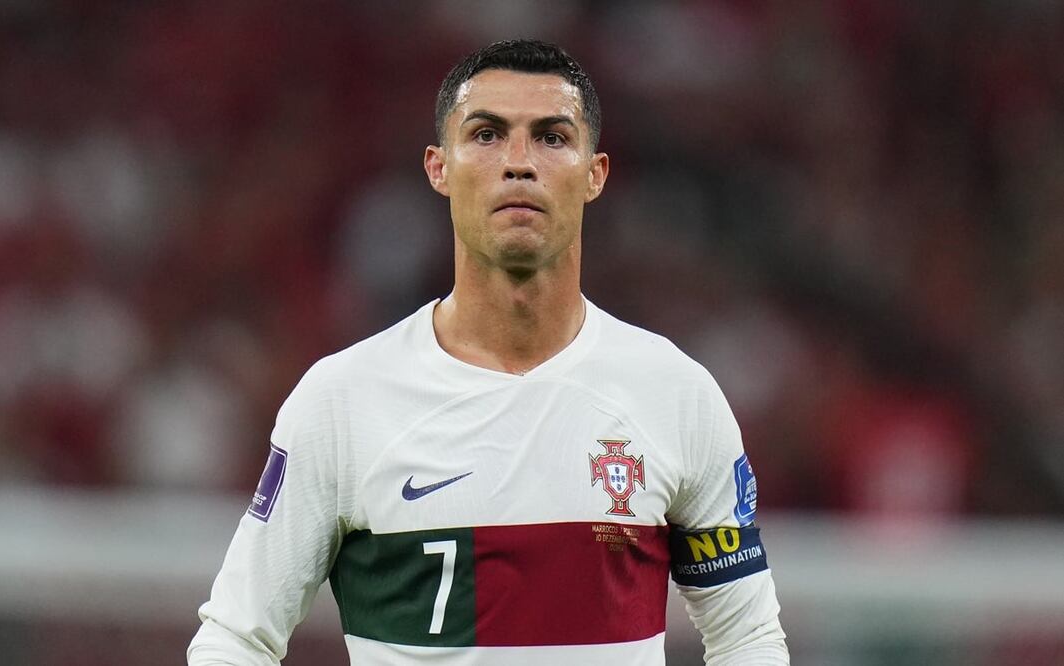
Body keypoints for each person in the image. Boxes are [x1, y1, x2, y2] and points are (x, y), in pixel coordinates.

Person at [188, 39, 788, 665]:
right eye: (487, 134)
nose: (519, 163)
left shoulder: (676, 395)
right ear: (438, 167)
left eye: (552, 137)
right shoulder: (343, 401)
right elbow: (236, 638)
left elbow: (746, 638)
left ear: (595, 174)